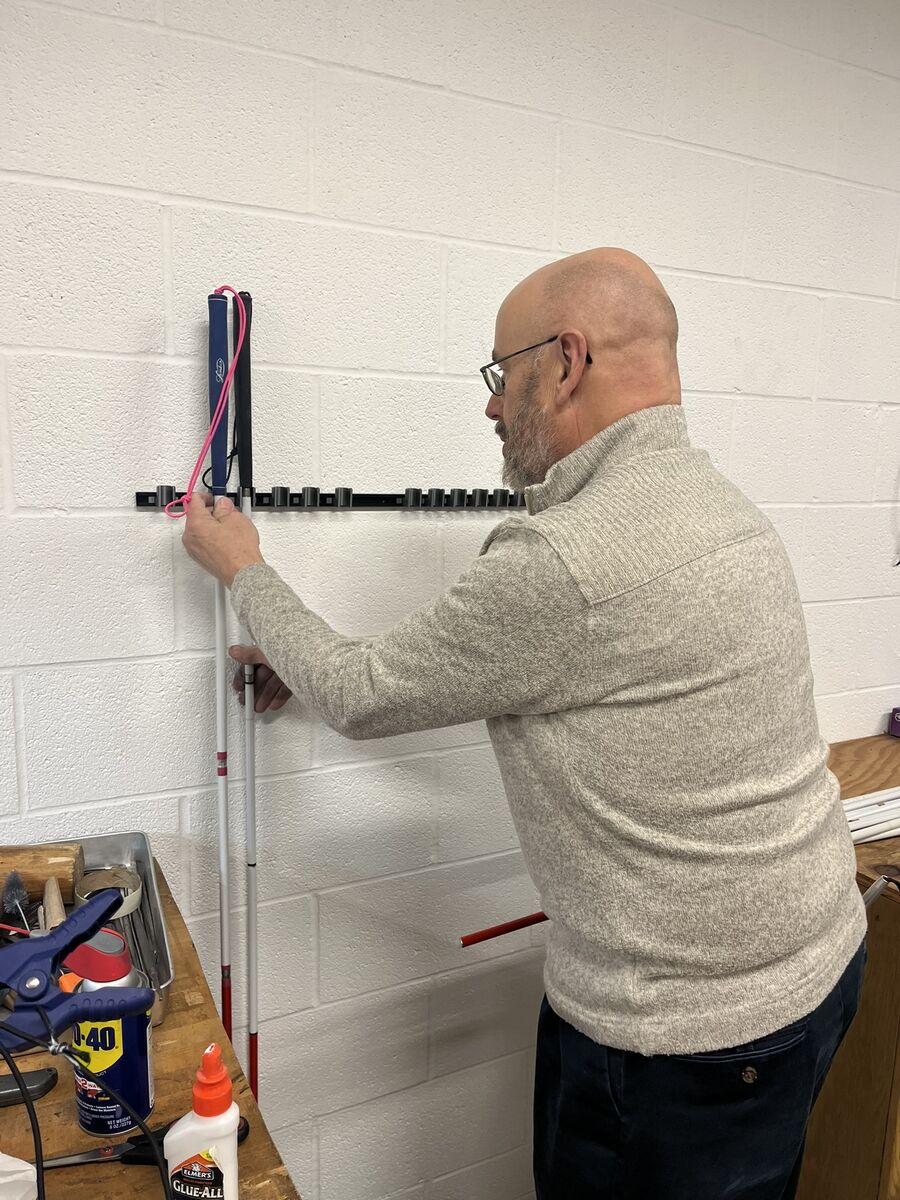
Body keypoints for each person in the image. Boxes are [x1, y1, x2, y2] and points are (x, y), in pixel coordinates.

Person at [182, 247, 867, 1199]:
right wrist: (311, 664)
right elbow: (564, 660)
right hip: (816, 966)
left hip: (690, 1046)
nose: (494, 406)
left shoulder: (564, 559)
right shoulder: (722, 506)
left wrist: (241, 565)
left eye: (503, 375)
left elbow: (368, 693)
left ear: (569, 361)